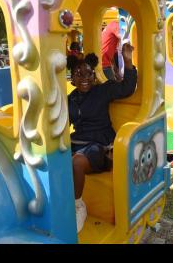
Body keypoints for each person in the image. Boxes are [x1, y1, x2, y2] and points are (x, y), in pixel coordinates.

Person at [68, 43, 137, 233]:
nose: (85, 78)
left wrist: (128, 60)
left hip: (101, 146)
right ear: (72, 78)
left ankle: (77, 206)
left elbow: (127, 87)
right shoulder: (70, 99)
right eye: (79, 74)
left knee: (76, 164)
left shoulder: (102, 91)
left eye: (89, 74)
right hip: (78, 143)